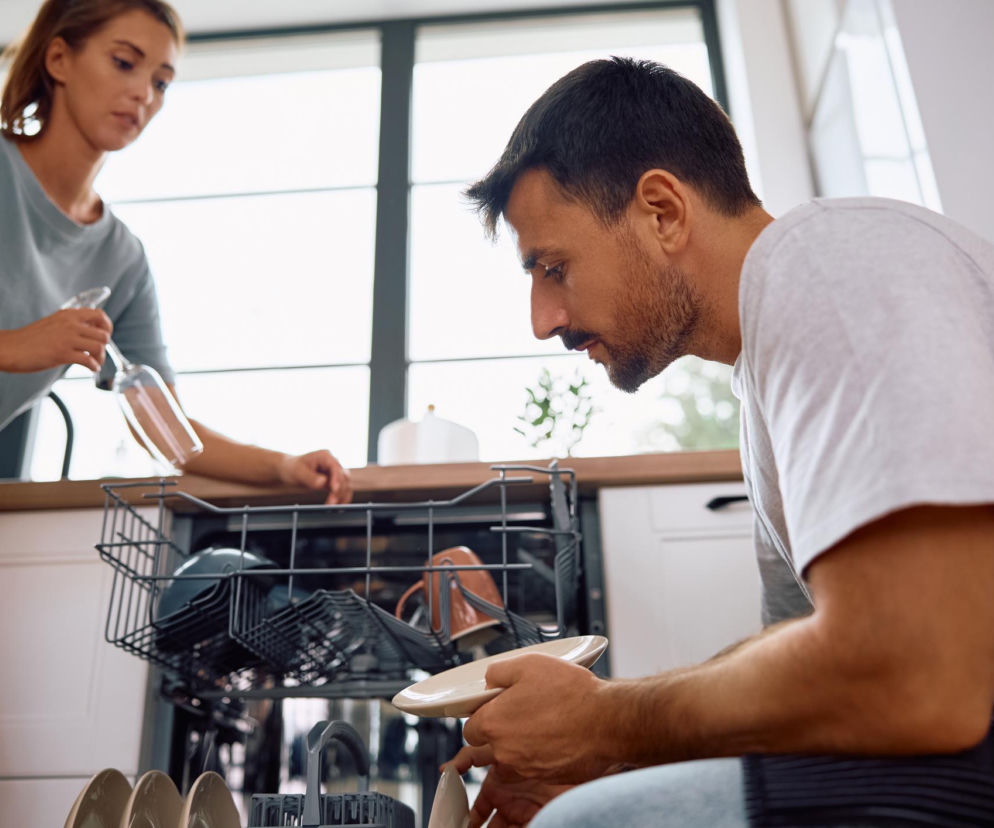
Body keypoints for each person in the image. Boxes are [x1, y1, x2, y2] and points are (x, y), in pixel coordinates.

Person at [445, 57, 994, 827]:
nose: (542, 319)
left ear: (663, 212)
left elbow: (916, 674)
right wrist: (613, 753)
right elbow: (812, 666)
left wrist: (605, 728)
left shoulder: (830, 266)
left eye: (554, 267)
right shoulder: (776, 355)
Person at [0, 0, 351, 503]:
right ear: (59, 59)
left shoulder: (122, 258)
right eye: (124, 63)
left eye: (161, 82)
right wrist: (14, 347)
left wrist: (284, 467)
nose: (142, 93)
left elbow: (164, 429)